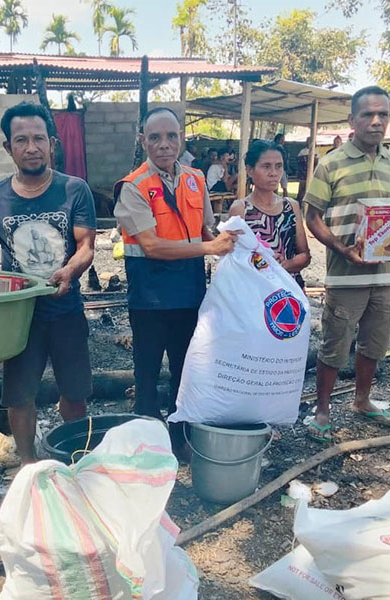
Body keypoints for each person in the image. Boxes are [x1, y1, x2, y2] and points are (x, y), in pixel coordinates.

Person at [0, 102, 97, 465]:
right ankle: (29, 466)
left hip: (65, 310)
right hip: (17, 316)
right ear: (8, 147)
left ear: (52, 143)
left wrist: (69, 272)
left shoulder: (74, 190)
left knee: (74, 394)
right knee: (19, 396)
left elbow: (86, 248)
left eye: (39, 139)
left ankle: (77, 459)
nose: (32, 147)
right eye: (22, 140)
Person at [113, 107, 238, 457]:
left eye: (171, 136)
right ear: (143, 141)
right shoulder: (133, 186)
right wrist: (210, 247)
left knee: (187, 370)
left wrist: (234, 243)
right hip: (150, 298)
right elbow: (151, 246)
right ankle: (147, 447)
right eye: (155, 137)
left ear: (181, 138)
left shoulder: (196, 179)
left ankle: (181, 439)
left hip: (189, 293)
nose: (164, 144)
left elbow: (206, 231)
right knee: (147, 374)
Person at [304, 85, 390, 443]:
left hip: (384, 276)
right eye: (368, 114)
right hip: (345, 277)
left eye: (383, 114)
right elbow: (312, 217)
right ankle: (322, 410)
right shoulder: (331, 163)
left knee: (375, 342)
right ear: (352, 120)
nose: (376, 121)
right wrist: (341, 248)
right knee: (335, 345)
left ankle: (362, 400)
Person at [228, 140, 311, 288]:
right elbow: (233, 259)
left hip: (289, 289)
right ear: (250, 170)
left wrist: (286, 264)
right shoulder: (241, 209)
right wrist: (264, 263)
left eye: (279, 166)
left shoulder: (291, 207)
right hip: (255, 291)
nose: (273, 173)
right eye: (266, 166)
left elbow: (305, 255)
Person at [296, 136, 319, 203]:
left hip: (312, 172)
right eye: (309, 141)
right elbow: (300, 161)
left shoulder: (316, 151)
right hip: (303, 173)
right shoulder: (303, 151)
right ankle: (300, 201)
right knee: (302, 188)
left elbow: (317, 161)